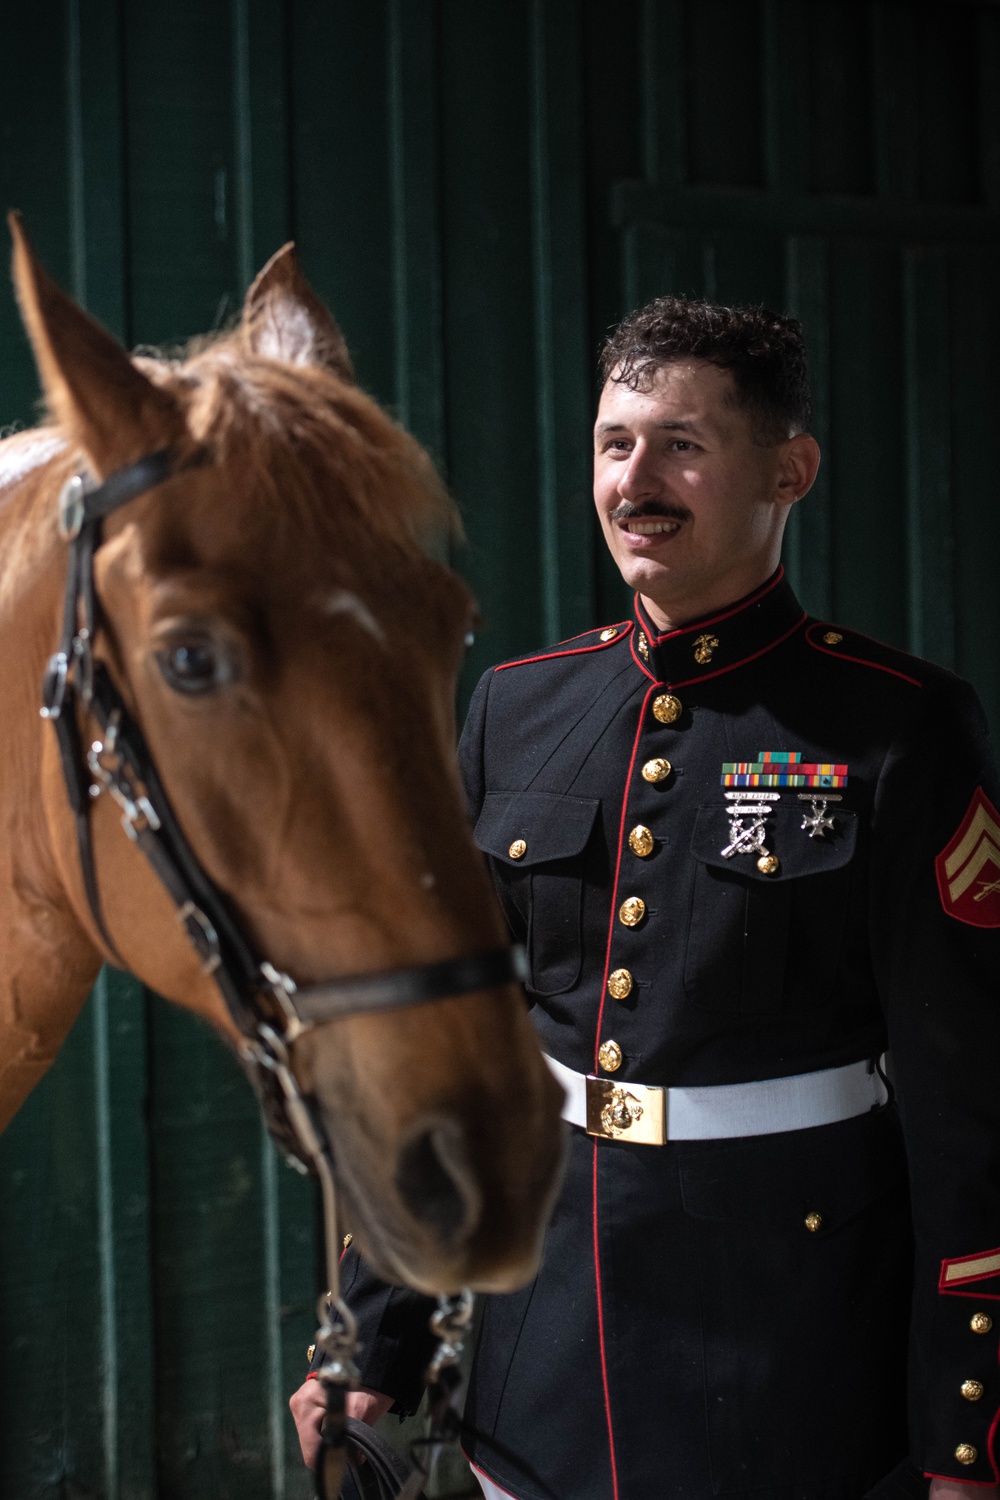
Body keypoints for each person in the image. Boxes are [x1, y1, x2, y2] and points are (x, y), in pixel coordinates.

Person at [290, 298, 1000, 1500]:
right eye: (614, 444)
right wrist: (376, 1331)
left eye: (682, 444)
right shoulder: (517, 708)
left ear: (790, 469)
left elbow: (968, 1104)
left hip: (797, 1363)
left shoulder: (896, 726)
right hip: (545, 1356)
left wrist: (964, 1437)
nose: (636, 481)